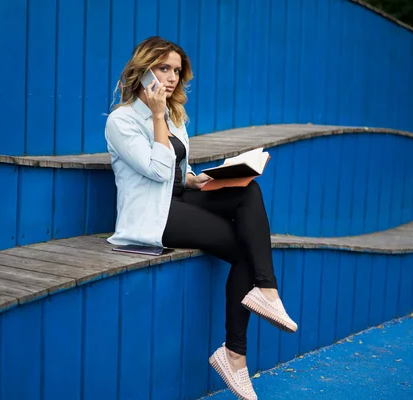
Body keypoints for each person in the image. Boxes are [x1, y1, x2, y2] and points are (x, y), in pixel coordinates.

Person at [105, 36, 297, 400]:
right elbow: (159, 172)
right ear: (143, 71)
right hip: (151, 218)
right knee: (246, 248)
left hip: (179, 199)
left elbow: (178, 170)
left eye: (177, 71)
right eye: (163, 68)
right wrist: (158, 116)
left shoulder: (175, 116)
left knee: (247, 190)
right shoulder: (122, 120)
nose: (172, 77)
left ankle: (257, 307)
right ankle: (238, 348)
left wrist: (198, 177)